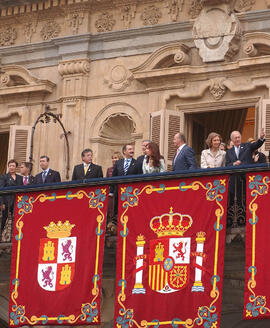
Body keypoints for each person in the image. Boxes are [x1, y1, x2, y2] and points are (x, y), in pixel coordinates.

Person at [0, 159, 23, 241]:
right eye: (10, 166)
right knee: (3, 220)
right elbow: (1, 190)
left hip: (17, 202)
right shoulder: (4, 177)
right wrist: (1, 203)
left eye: (13, 166)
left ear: (16, 167)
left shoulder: (20, 178)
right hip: (6, 202)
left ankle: (13, 239)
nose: (11, 167)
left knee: (15, 220)